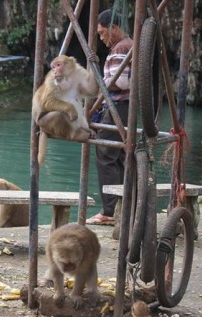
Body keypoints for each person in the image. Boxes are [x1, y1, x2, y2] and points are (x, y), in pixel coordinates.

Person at [86, 8, 133, 225]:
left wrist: (99, 77)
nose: (101, 37)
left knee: (105, 154)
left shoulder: (122, 48)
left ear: (113, 28)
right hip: (121, 107)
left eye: (103, 32)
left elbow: (120, 82)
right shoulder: (125, 46)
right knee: (118, 156)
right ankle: (122, 207)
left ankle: (110, 211)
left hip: (118, 105)